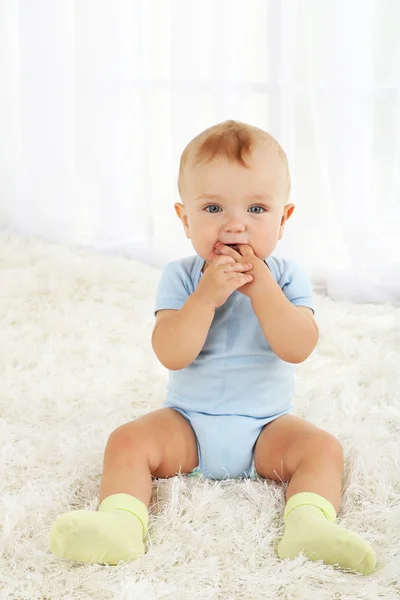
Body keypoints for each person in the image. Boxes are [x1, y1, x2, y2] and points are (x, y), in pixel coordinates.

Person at [49, 120, 376, 574]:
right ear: (185, 219)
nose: (235, 224)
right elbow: (171, 353)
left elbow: (298, 347)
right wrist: (204, 298)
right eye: (214, 207)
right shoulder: (181, 278)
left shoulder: (285, 278)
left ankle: (309, 524)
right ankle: (119, 524)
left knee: (323, 450)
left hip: (266, 429)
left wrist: (263, 293)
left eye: (258, 208)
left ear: (284, 219)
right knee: (127, 440)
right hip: (187, 425)